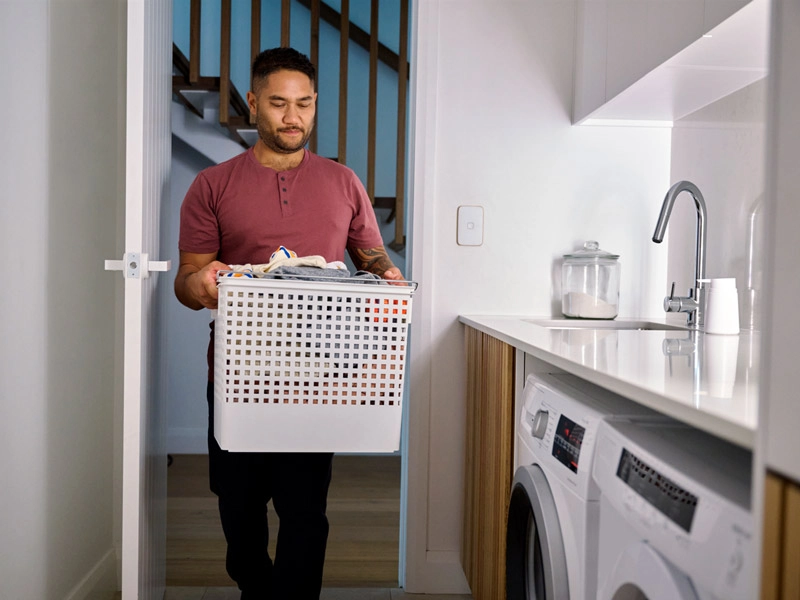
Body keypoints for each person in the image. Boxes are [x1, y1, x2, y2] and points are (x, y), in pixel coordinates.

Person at [174, 47, 403, 599]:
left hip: (317, 378)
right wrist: (200, 286)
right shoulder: (213, 186)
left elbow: (373, 261)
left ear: (315, 105)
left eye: (304, 104)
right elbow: (187, 280)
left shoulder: (343, 183)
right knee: (239, 506)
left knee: (305, 509)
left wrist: (392, 282)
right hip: (238, 377)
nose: (292, 116)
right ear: (253, 104)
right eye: (278, 103)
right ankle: (255, 587)